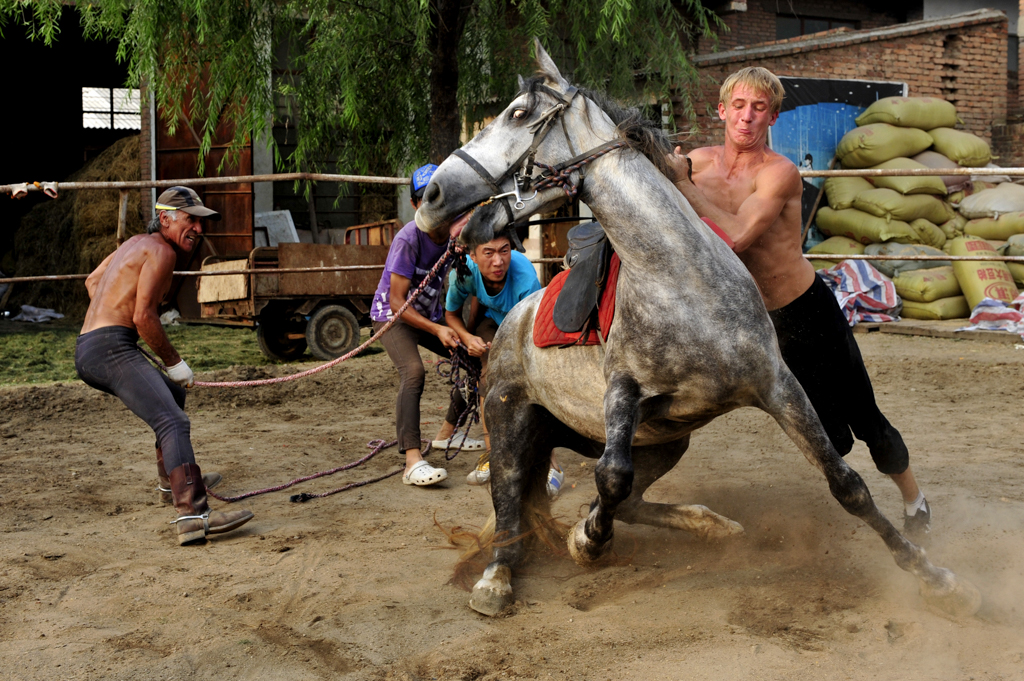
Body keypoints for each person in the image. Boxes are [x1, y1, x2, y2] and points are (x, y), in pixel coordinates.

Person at [664, 67, 932, 540]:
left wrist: (681, 185)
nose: (747, 118)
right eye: (739, 107)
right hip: (748, 320)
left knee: (866, 420)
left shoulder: (779, 173)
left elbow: (740, 238)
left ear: (773, 116)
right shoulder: (696, 163)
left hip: (804, 312)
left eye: (759, 108)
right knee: (827, 437)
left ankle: (915, 500)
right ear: (722, 111)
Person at [75, 187, 254, 546]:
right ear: (167, 218)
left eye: (201, 223)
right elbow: (144, 316)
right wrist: (175, 363)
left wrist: (112, 317)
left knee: (172, 398)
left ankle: (168, 484)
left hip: (95, 344)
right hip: (109, 347)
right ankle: (192, 515)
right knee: (173, 420)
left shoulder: (135, 243)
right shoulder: (161, 251)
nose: (198, 230)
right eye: (191, 220)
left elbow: (92, 282)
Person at [371, 163, 485, 487]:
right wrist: (437, 330)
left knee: (475, 359)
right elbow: (397, 301)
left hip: (429, 316)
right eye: (424, 200)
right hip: (392, 316)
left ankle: (445, 435)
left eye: (439, 199)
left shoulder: (455, 237)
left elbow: (470, 281)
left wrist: (464, 330)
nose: (432, 208)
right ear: (414, 206)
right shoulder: (409, 239)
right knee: (414, 371)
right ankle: (411, 461)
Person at [443, 231, 565, 497]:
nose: (498, 261)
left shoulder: (525, 278)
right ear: (473, 255)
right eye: (489, 252)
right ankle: (494, 454)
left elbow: (529, 330)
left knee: (533, 385)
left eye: (504, 250)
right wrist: (468, 337)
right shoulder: (463, 272)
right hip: (492, 323)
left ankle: (552, 463)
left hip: (526, 327)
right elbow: (450, 314)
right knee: (486, 378)